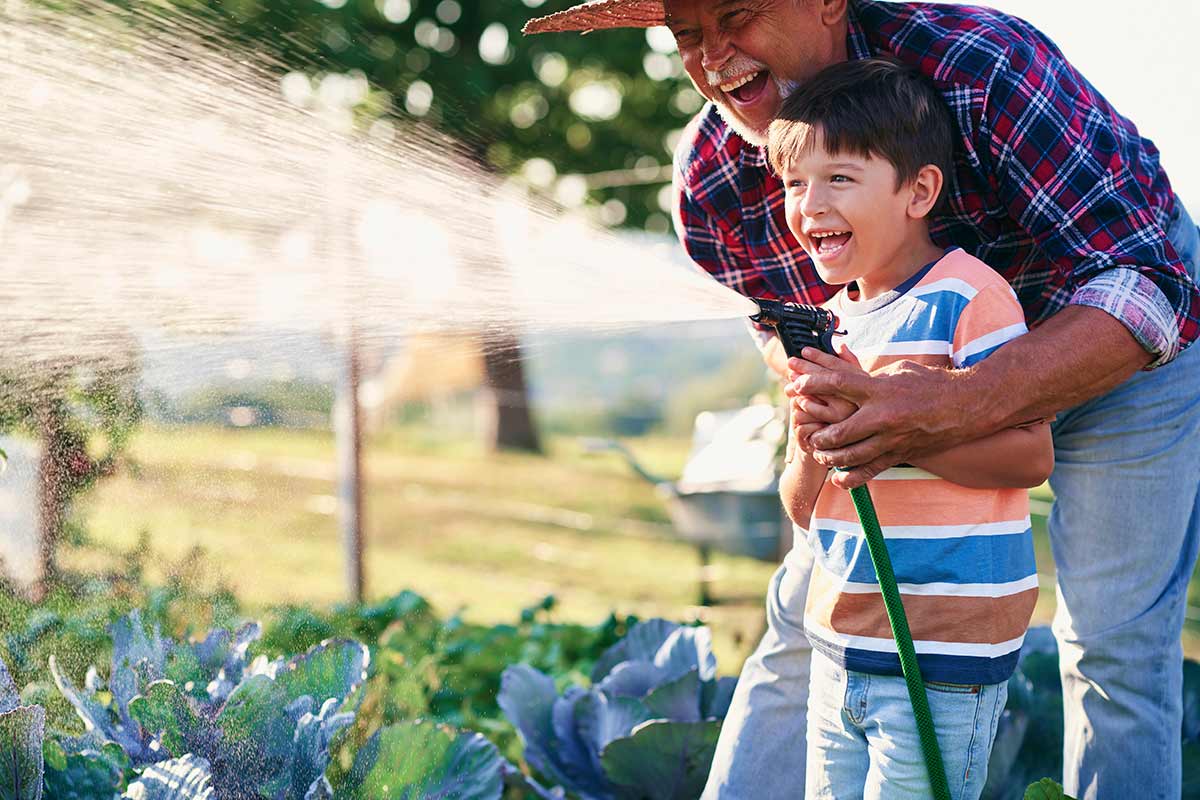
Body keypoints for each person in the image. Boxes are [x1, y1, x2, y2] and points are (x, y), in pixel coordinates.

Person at [523, 2, 1200, 798]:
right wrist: (836, 415)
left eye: (736, 13)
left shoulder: (981, 67)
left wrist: (957, 401)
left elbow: (1148, 288)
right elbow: (800, 345)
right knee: (804, 619)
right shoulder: (716, 188)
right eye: (686, 35)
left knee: (1113, 647)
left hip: (1118, 346)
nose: (715, 56)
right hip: (898, 396)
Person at [770, 56, 1053, 799]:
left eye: (839, 178)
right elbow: (803, 509)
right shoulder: (829, 334)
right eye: (796, 183)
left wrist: (906, 427)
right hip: (840, 651)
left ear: (918, 191)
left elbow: (1030, 454)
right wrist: (813, 437)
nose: (810, 204)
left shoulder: (967, 298)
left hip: (942, 660)